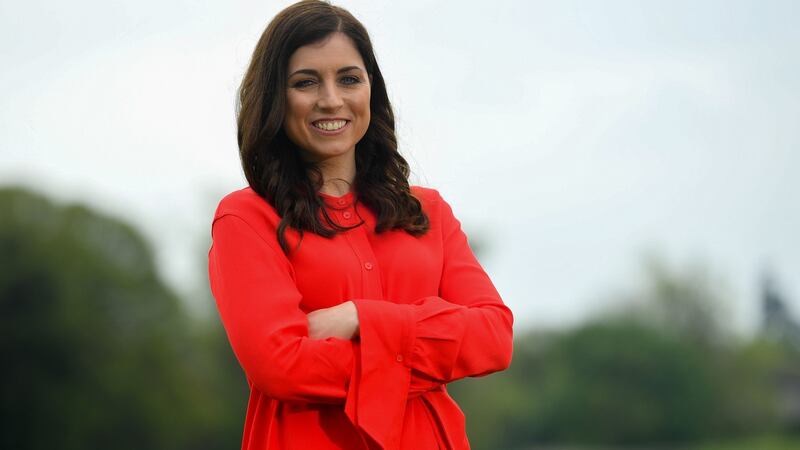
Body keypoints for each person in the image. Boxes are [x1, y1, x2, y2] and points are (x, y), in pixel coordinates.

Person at [207, 1, 513, 449]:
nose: (331, 99)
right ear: (275, 96)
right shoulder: (247, 218)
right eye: (306, 82)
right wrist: (433, 343)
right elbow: (280, 367)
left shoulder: (428, 213)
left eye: (349, 78)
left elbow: (493, 336)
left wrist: (361, 319)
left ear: (372, 90)